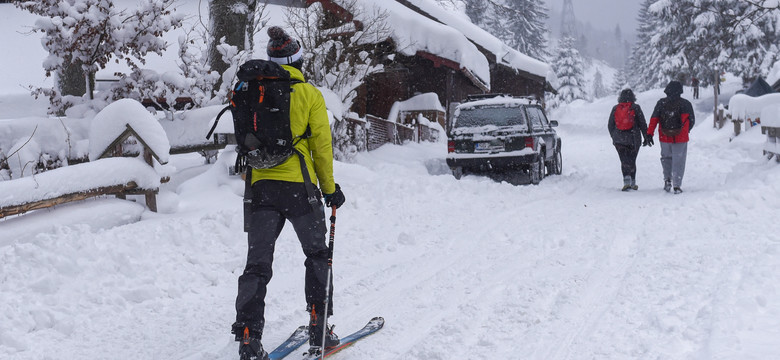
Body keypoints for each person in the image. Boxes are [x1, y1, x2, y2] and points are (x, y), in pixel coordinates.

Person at [231, 26, 346, 360]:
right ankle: (319, 327)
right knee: (316, 255)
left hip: (260, 188)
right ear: (299, 59)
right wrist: (330, 189)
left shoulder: (252, 90)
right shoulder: (308, 93)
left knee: (257, 265)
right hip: (299, 189)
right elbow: (321, 147)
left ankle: (249, 338)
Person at [647, 80, 695, 194]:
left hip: (664, 136)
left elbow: (654, 119)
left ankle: (667, 180)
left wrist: (650, 134)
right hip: (681, 138)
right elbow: (692, 120)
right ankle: (677, 185)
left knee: (666, 158)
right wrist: (684, 131)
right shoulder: (686, 104)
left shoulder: (661, 103)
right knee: (679, 160)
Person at [608, 89, 651, 191]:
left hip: (619, 139)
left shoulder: (615, 108)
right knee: (632, 160)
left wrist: (614, 136)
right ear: (633, 97)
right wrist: (646, 136)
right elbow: (642, 123)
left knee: (624, 160)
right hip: (633, 138)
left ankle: (626, 181)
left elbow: (610, 125)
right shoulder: (635, 108)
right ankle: (633, 182)